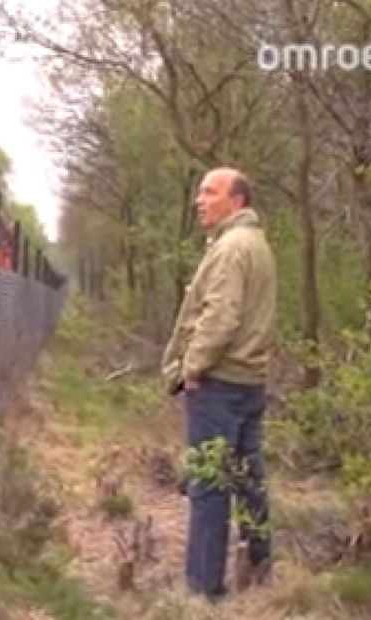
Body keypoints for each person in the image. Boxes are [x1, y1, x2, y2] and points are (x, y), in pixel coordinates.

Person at [161, 166, 277, 599]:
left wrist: (192, 367)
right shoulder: (256, 244)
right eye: (200, 192)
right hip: (249, 382)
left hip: (221, 383)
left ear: (237, 200)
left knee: (209, 487)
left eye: (210, 192)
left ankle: (202, 588)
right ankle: (260, 572)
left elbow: (221, 317)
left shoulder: (232, 247)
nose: (199, 200)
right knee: (250, 481)